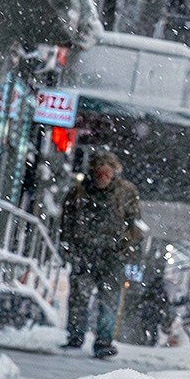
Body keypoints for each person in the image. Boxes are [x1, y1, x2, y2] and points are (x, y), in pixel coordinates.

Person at [60, 150, 144, 359]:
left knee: (108, 300)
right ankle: (76, 336)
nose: (102, 179)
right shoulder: (79, 192)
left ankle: (103, 341)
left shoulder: (126, 193)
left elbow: (134, 224)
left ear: (113, 174)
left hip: (112, 256)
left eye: (106, 174)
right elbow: (66, 222)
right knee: (80, 296)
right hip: (85, 252)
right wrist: (69, 247)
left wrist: (125, 246)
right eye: (99, 174)